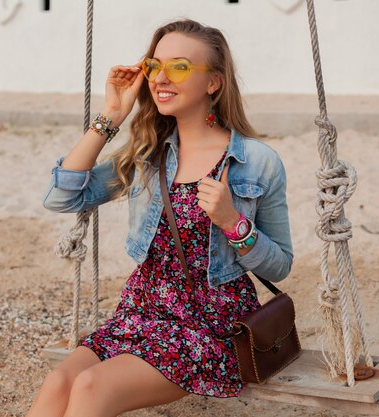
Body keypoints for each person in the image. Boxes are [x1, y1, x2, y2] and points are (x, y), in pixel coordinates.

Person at [28, 18, 293, 417]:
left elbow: (281, 263)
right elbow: (61, 196)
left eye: (180, 67)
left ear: (213, 83)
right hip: (142, 311)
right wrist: (111, 116)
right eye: (154, 66)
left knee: (90, 388)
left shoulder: (257, 162)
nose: (161, 78)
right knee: (59, 383)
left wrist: (232, 223)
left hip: (210, 323)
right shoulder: (147, 155)